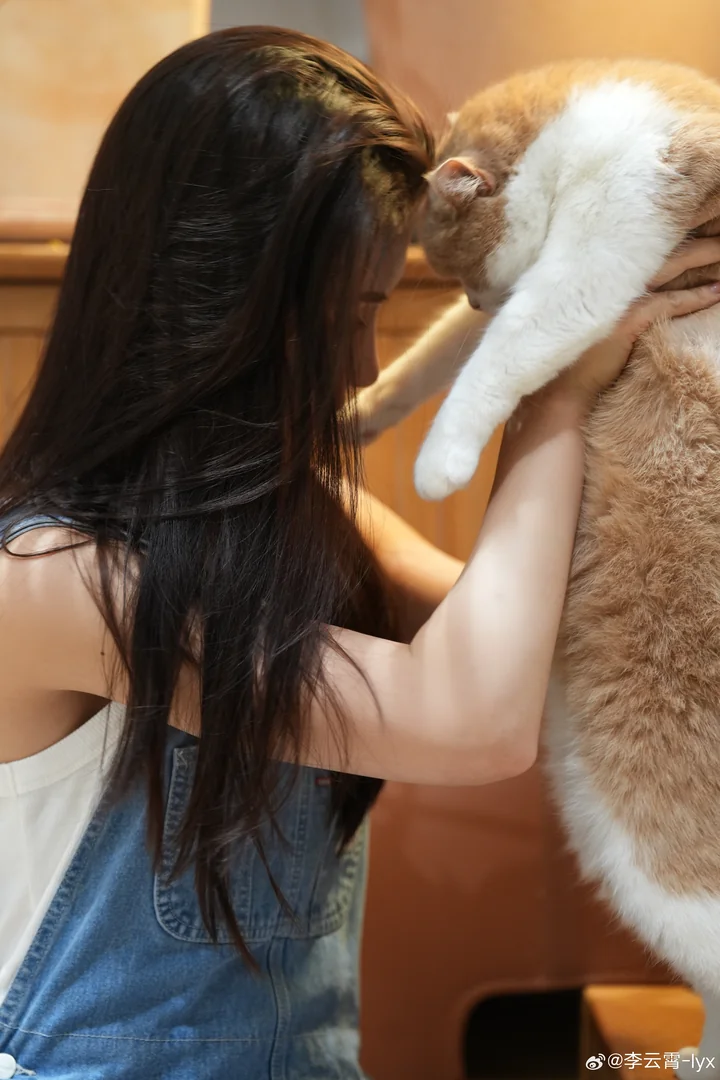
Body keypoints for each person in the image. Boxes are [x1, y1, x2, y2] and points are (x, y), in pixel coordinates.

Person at [0, 25, 718, 1080]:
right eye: (342, 316)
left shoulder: (300, 508)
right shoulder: (52, 577)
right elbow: (472, 719)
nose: (359, 365)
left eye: (374, 313)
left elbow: (524, 651)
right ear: (212, 303)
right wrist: (553, 382)